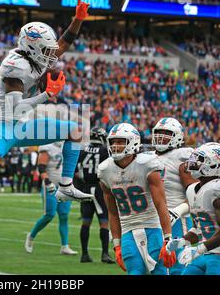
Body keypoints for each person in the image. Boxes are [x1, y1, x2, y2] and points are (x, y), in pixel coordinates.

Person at [0, 0, 93, 237]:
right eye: (45, 49)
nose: (51, 54)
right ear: (32, 46)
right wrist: (48, 95)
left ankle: (65, 186)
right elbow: (15, 109)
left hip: (24, 122)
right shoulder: (15, 67)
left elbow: (63, 44)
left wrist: (77, 20)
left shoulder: (36, 55)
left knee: (75, 130)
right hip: (3, 121)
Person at [98, 123, 176, 275]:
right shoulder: (105, 170)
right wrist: (117, 245)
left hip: (153, 227)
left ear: (133, 142)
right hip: (128, 230)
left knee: (160, 272)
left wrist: (168, 239)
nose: (115, 146)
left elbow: (161, 204)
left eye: (120, 141)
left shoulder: (147, 164)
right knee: (134, 272)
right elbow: (113, 212)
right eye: (113, 142)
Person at [152, 117, 199, 274]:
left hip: (177, 219)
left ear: (177, 136)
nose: (161, 137)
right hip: (152, 220)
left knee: (177, 267)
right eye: (158, 133)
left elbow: (197, 194)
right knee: (155, 266)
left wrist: (178, 210)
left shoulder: (183, 156)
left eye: (166, 133)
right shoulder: (147, 157)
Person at [166, 142, 220, 275]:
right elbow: (200, 228)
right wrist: (182, 241)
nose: (193, 163)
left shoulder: (216, 190)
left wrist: (200, 249)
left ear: (213, 164)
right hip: (206, 254)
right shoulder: (192, 190)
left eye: (199, 160)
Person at [25, 142, 77, 255]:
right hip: (51, 185)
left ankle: (65, 246)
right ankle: (31, 236)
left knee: (64, 215)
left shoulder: (66, 146)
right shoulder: (47, 146)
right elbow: (41, 167)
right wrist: (47, 182)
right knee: (49, 215)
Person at [76, 127, 114, 264]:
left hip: (85, 188)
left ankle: (84, 254)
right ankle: (105, 254)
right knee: (104, 222)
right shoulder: (104, 151)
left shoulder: (82, 150)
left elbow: (76, 171)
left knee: (86, 221)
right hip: (99, 188)